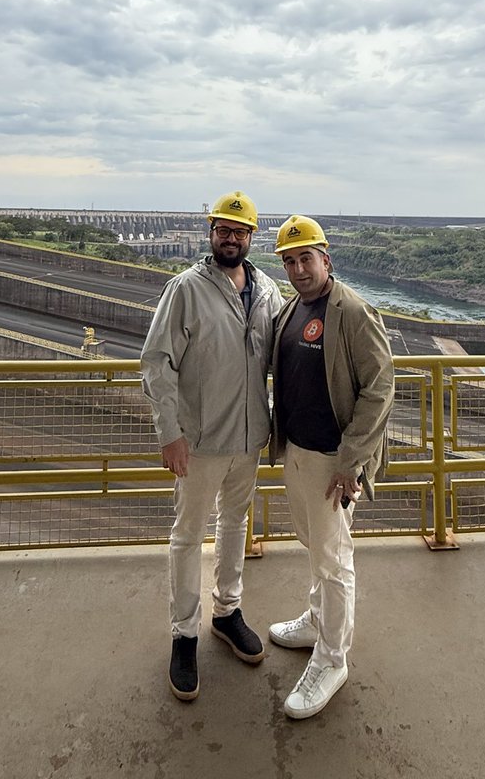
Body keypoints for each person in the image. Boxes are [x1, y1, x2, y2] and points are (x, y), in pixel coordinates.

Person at [141, 190, 283, 701]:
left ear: (251, 237)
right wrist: (170, 434)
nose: (230, 237)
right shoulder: (185, 289)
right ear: (211, 233)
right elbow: (157, 363)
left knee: (235, 524)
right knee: (186, 536)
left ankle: (227, 612)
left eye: (239, 231)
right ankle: (184, 633)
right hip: (198, 442)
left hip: (248, 439)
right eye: (222, 228)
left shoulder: (266, 290)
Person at [268, 214, 394, 719]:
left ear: (327, 260)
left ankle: (332, 659)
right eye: (290, 261)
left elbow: (380, 390)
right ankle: (318, 621)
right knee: (316, 547)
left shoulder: (355, 313)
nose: (299, 269)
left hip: (333, 462)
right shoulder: (291, 309)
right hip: (297, 452)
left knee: (335, 560)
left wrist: (351, 463)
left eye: (307, 259)